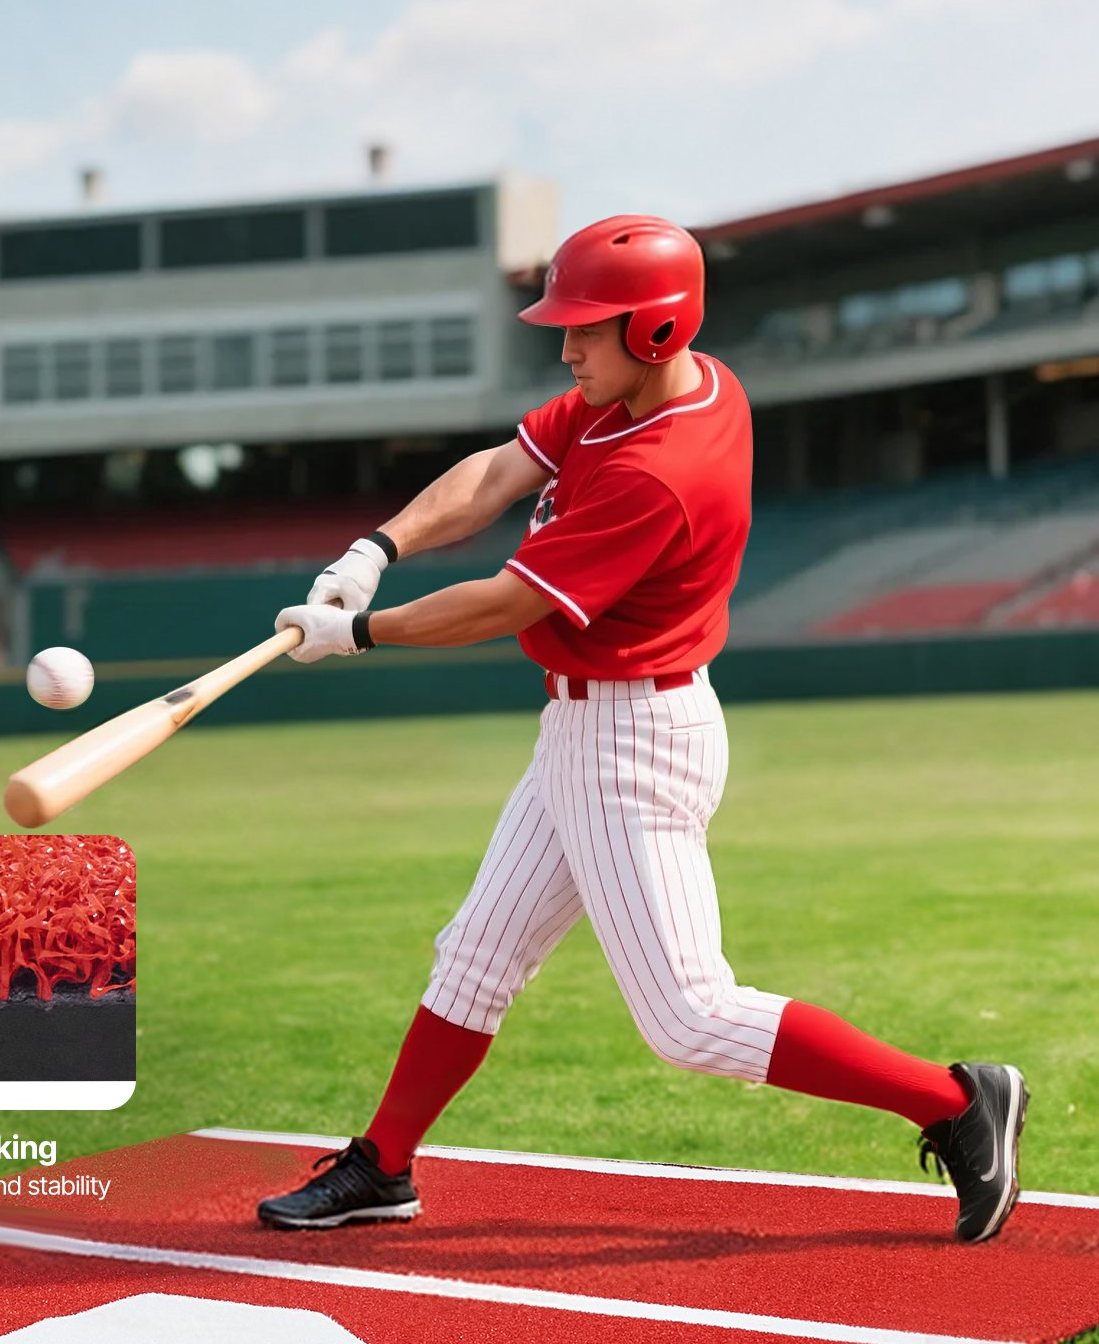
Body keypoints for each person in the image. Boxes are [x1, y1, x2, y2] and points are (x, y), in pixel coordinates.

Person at [258, 215, 1026, 1243]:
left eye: (584, 328)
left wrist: (356, 630)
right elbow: (498, 470)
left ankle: (954, 1097)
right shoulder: (656, 387)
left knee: (689, 1015)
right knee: (474, 959)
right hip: (587, 729)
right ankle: (385, 1164)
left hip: (631, 742)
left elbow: (502, 604)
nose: (565, 348)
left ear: (655, 330)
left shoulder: (654, 469)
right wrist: (375, 545)